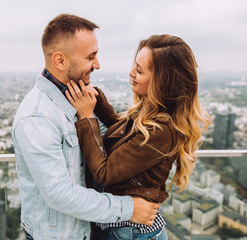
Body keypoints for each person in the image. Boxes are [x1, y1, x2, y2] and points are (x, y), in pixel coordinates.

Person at [11, 14, 159, 240]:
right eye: (91, 57)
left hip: (87, 230)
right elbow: (60, 195)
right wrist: (129, 208)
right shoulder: (37, 117)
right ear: (60, 60)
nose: (97, 65)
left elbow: (109, 145)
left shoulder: (80, 98)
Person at [65, 34, 212, 240]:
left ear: (162, 82)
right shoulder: (154, 115)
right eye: (135, 66)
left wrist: (87, 117)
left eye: (140, 70)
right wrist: (96, 100)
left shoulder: (162, 129)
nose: (131, 73)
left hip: (131, 232)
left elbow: (104, 172)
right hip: (126, 228)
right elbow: (126, 140)